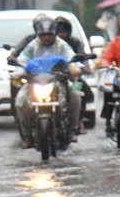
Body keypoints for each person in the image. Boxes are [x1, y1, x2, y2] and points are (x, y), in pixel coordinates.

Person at [14, 13, 82, 147]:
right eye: (43, 35)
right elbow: (23, 60)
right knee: (20, 99)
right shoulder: (33, 45)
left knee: (75, 96)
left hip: (58, 81)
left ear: (54, 34)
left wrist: (74, 69)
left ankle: (72, 131)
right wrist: (18, 73)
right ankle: (27, 136)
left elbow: (71, 57)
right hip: (36, 81)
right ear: (39, 34)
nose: (46, 38)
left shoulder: (61, 45)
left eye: (49, 35)